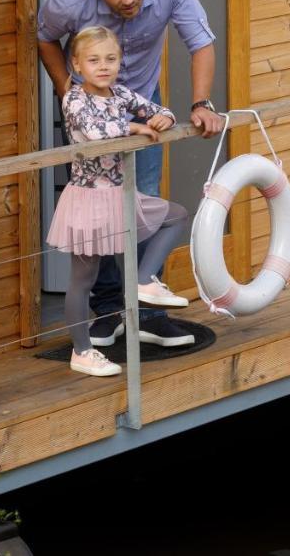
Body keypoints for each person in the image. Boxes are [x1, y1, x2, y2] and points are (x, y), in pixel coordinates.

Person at [38, 0, 226, 349]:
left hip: (139, 100)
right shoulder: (68, 1)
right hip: (93, 116)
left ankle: (147, 314)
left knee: (143, 204)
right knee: (103, 213)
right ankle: (108, 314)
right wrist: (66, 87)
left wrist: (198, 104)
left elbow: (200, 42)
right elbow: (44, 36)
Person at [46, 27, 192, 377]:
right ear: (78, 65)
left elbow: (158, 109)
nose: (103, 66)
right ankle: (82, 351)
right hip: (89, 197)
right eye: (94, 60)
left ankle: (143, 278)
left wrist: (162, 118)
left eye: (111, 59)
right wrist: (136, 128)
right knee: (85, 276)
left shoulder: (121, 94)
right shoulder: (74, 98)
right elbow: (97, 133)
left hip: (120, 195)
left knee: (175, 216)